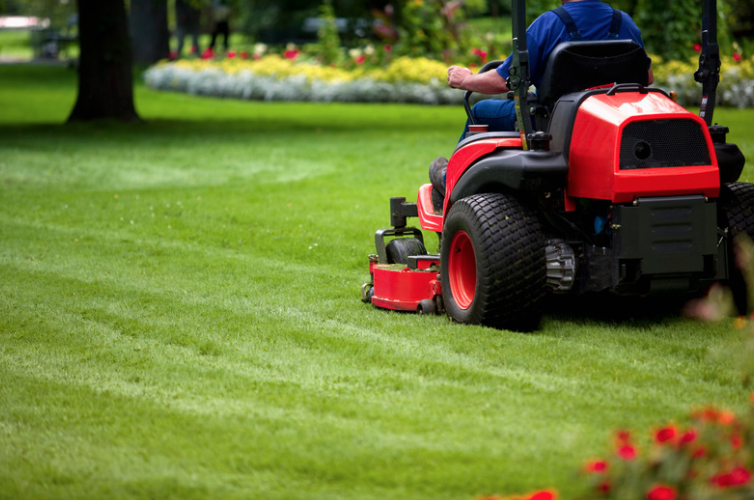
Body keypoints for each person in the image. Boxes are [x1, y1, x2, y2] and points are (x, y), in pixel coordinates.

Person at [429, 0, 654, 209]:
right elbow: (647, 77)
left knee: (480, 110)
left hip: (552, 125)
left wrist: (465, 80)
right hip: (611, 124)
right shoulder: (624, 22)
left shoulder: (549, 24)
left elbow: (503, 80)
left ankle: (449, 180)